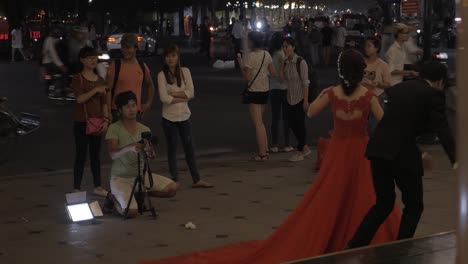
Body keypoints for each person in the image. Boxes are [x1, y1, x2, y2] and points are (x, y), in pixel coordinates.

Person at [139, 49, 400, 264]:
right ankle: (366, 240)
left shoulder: (333, 93)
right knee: (366, 196)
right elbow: (387, 124)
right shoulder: (367, 96)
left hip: (339, 151)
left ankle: (333, 235)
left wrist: (323, 95)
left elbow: (310, 114)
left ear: (342, 71)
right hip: (362, 151)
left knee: (331, 196)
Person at [347, 61, 457, 248]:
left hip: (377, 149)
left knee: (383, 203)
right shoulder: (433, 94)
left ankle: (354, 246)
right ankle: (401, 248)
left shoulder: (399, 88)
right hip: (402, 153)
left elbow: (399, 122)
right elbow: (442, 128)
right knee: (414, 205)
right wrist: (456, 159)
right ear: (439, 81)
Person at [105, 91, 179, 218]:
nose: (131, 109)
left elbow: (152, 157)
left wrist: (150, 152)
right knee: (130, 212)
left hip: (141, 175)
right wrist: (130, 147)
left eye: (133, 105)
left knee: (172, 188)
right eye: (127, 106)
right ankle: (112, 196)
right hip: (121, 177)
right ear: (120, 110)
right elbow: (113, 154)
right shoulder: (114, 128)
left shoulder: (144, 129)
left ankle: (139, 194)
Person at [158, 44, 213, 188]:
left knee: (189, 147)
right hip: (169, 118)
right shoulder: (161, 75)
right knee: (172, 149)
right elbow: (164, 98)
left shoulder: (185, 72)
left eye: (173, 56)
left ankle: (196, 179)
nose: (170, 59)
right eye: (168, 56)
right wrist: (183, 96)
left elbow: (191, 93)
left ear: (178, 57)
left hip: (184, 115)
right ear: (164, 58)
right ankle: (175, 179)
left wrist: (174, 94)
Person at [71, 47, 109, 196]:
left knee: (95, 155)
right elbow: (79, 99)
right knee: (81, 154)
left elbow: (104, 103)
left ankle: (98, 186)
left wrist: (106, 120)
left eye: (94, 57)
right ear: (82, 60)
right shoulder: (77, 78)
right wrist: (95, 90)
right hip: (81, 122)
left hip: (97, 121)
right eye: (89, 58)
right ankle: (76, 187)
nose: (93, 60)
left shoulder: (100, 79)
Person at [237, 32, 275, 161]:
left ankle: (262, 154)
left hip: (254, 91)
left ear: (252, 42)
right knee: (261, 122)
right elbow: (273, 73)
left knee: (258, 123)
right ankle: (265, 149)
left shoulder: (250, 57)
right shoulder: (267, 54)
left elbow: (247, 78)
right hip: (265, 90)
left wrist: (241, 65)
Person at [106, 33, 155, 122]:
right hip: (118, 113)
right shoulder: (115, 66)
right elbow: (108, 90)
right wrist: (108, 112)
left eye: (128, 47)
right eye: (122, 47)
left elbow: (150, 85)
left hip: (136, 112)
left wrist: (148, 103)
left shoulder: (142, 66)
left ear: (135, 48)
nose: (124, 50)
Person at [279, 37, 311, 162]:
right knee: (291, 124)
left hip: (300, 97)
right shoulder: (286, 62)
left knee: (300, 125)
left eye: (287, 46)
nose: (285, 49)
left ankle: (300, 151)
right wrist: (282, 63)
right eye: (284, 47)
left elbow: (306, 83)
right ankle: (305, 147)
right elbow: (281, 79)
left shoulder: (301, 62)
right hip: (290, 97)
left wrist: (306, 101)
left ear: (293, 47)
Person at [268, 32, 293, 153]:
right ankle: (287, 144)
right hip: (284, 88)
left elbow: (271, 73)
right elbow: (285, 75)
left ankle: (274, 145)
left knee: (275, 118)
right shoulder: (283, 55)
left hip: (273, 88)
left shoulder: (272, 55)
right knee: (286, 118)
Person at [362, 37, 391, 133]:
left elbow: (387, 85)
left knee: (375, 126)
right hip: (362, 97)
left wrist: (377, 84)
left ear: (376, 48)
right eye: (365, 45)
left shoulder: (383, 65)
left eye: (369, 46)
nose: (366, 48)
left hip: (377, 97)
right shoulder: (361, 63)